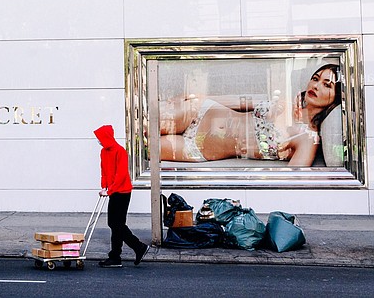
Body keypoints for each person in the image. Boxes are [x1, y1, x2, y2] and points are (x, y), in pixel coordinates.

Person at [159, 64, 341, 167]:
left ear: (336, 98)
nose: (316, 86)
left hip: (198, 147)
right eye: (315, 79)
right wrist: (199, 97)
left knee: (146, 147)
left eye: (327, 85)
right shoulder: (285, 100)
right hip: (201, 111)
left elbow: (293, 181)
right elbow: (242, 102)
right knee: (143, 127)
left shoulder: (308, 138)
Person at [94, 124, 150, 268]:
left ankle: (136, 248)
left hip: (122, 192)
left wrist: (110, 189)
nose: (99, 141)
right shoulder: (103, 152)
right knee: (115, 224)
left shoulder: (120, 151)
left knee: (116, 224)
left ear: (106, 138)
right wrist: (104, 186)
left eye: (100, 138)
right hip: (113, 191)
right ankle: (117, 256)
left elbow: (121, 174)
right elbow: (104, 170)